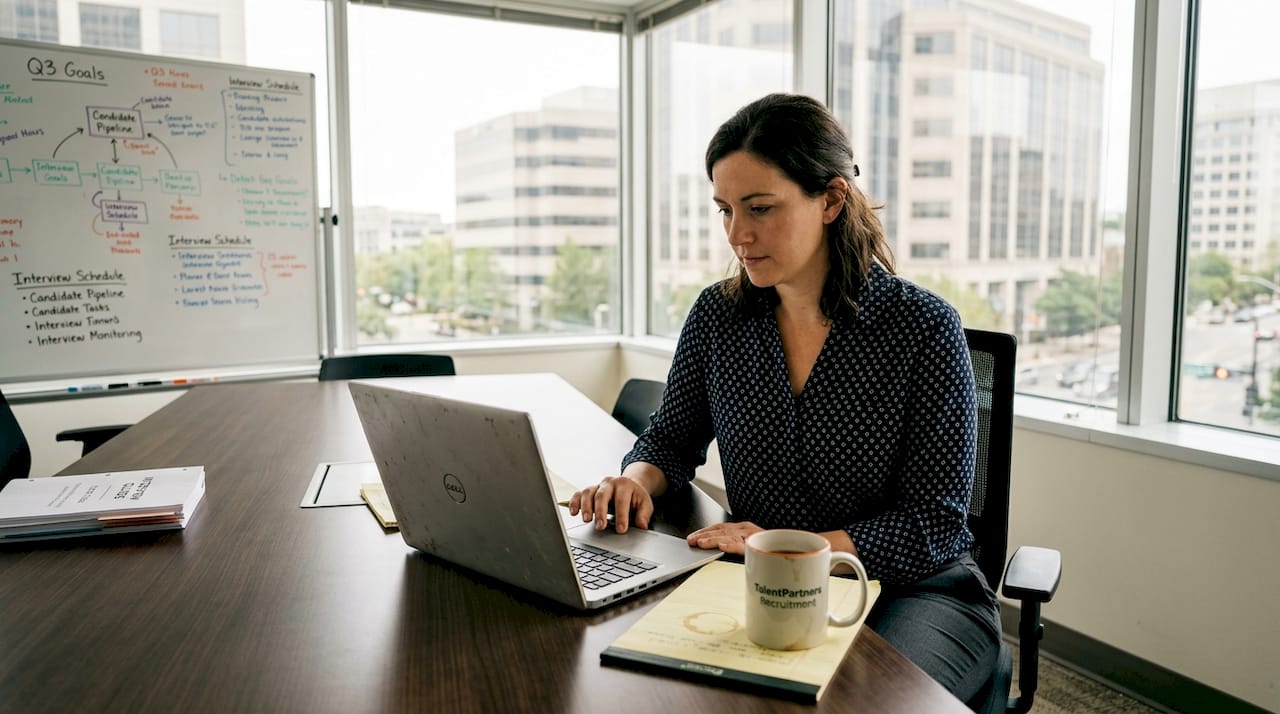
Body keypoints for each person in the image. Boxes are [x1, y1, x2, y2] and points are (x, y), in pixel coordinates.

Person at [568, 92, 1001, 709]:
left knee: (863, 703)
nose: (737, 234)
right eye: (725, 210)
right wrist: (633, 481)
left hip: (916, 589)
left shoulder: (923, 328)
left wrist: (791, 548)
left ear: (831, 200)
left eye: (760, 208)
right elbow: (669, 440)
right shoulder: (718, 317)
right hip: (766, 578)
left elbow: (933, 523)